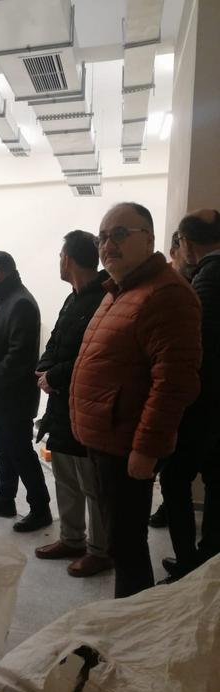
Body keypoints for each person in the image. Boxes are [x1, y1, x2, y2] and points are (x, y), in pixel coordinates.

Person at [70, 203, 202, 598]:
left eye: (120, 234)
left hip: (126, 443)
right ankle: (127, 614)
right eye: (102, 237)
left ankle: (131, 619)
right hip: (106, 437)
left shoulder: (166, 294)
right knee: (119, 541)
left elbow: (174, 383)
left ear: (149, 239)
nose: (107, 245)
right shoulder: (120, 290)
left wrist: (146, 449)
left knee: (127, 547)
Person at [34, 231, 112, 576]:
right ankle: (72, 538)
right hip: (61, 407)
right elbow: (56, 341)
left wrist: (54, 375)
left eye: (60, 256)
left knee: (92, 484)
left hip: (89, 407)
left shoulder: (105, 298)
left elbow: (94, 356)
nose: (59, 262)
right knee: (65, 475)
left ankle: (101, 550)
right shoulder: (72, 298)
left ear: (67, 258)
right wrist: (44, 368)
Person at [158, 209, 220, 581]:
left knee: (174, 479)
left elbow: (197, 350)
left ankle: (188, 564)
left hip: (204, 404)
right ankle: (208, 556)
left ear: (186, 243)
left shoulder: (207, 279)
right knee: (215, 478)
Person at [0, 251, 51, 532]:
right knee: (3, 452)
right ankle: (4, 499)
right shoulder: (7, 300)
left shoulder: (21, 303)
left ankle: (40, 509)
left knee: (20, 453)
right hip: (0, 397)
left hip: (12, 398)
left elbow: (19, 356)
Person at [148, 229, 197, 530]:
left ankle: (189, 554)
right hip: (183, 394)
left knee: (176, 472)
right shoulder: (166, 285)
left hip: (190, 396)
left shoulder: (192, 286)